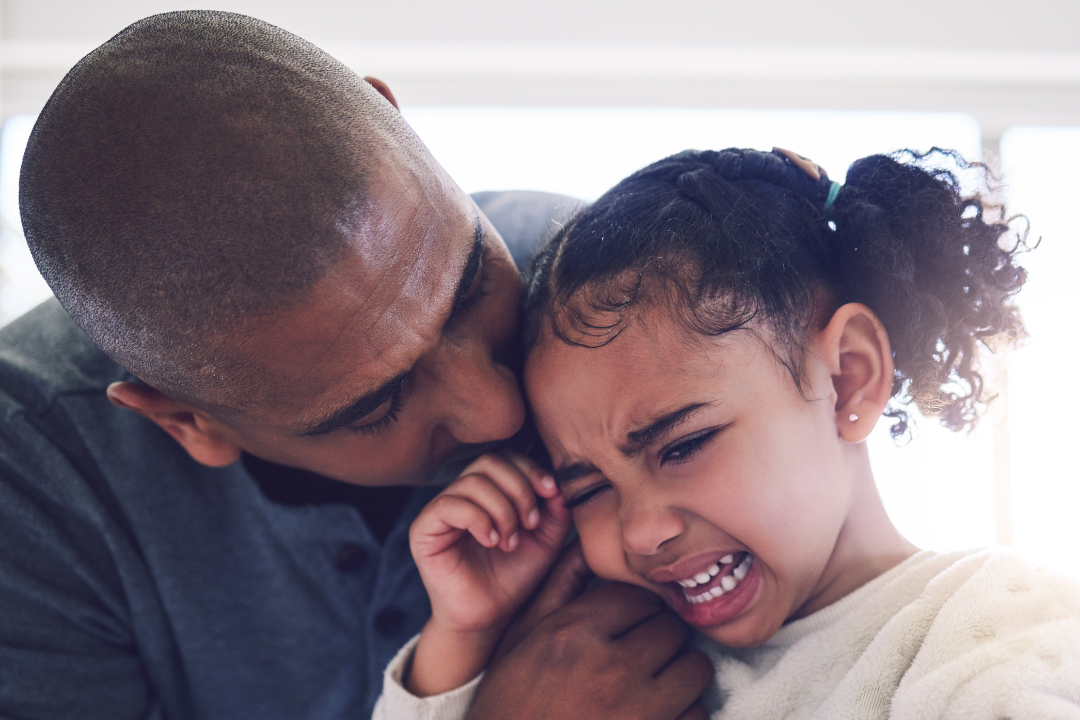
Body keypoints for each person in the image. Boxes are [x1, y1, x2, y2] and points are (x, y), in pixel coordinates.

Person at [0, 10, 714, 720]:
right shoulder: (31, 487)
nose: (499, 409)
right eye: (378, 406)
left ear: (398, 122)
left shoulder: (615, 294)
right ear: (187, 421)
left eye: (470, 286)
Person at [376, 147, 1080, 718]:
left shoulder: (993, 628)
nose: (639, 531)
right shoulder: (605, 660)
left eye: (681, 446)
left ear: (849, 378)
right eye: (585, 485)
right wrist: (463, 639)